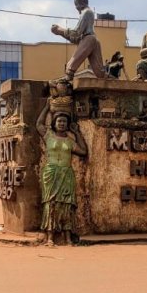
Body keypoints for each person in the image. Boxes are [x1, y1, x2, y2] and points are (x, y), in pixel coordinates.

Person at [36, 104, 87, 247]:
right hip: (51, 173)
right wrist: (46, 107)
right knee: (50, 204)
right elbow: (38, 124)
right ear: (54, 123)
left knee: (66, 205)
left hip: (66, 173)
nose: (62, 124)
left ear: (67, 124)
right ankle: (50, 237)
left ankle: (67, 237)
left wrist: (77, 133)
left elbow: (83, 151)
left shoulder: (70, 141)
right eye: (59, 121)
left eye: (64, 122)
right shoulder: (48, 136)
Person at [50, 0, 105, 80]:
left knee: (71, 65)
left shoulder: (86, 12)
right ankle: (107, 76)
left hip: (89, 39)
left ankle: (69, 75)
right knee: (100, 73)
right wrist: (60, 33)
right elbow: (76, 39)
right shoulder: (88, 13)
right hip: (92, 40)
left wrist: (59, 30)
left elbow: (76, 33)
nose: (76, 8)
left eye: (76, 5)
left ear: (81, 3)